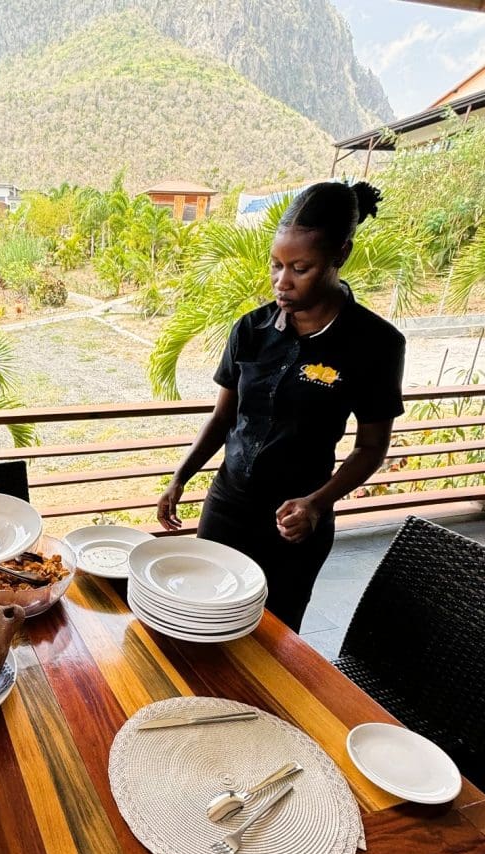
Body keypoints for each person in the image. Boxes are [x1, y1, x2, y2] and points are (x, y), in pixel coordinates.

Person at [157, 181, 405, 632]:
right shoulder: (251, 329)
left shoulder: (375, 344)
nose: (282, 281)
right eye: (276, 265)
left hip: (296, 522)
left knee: (274, 634)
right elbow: (224, 416)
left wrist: (317, 503)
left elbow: (371, 447)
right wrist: (181, 476)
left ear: (340, 255)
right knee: (202, 616)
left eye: (300, 268)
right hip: (227, 504)